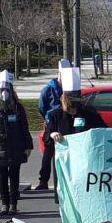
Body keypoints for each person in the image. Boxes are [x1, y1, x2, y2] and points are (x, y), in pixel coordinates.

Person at [0, 70, 33, 216]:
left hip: (16, 146)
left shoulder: (18, 107)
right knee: (2, 176)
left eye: (6, 89)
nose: (4, 93)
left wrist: (28, 145)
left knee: (14, 176)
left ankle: (13, 203)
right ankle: (4, 204)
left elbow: (25, 128)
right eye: (1, 89)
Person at [31, 62, 68, 191]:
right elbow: (42, 107)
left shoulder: (69, 88)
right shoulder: (48, 89)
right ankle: (43, 181)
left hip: (65, 123)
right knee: (48, 154)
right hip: (51, 124)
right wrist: (48, 118)